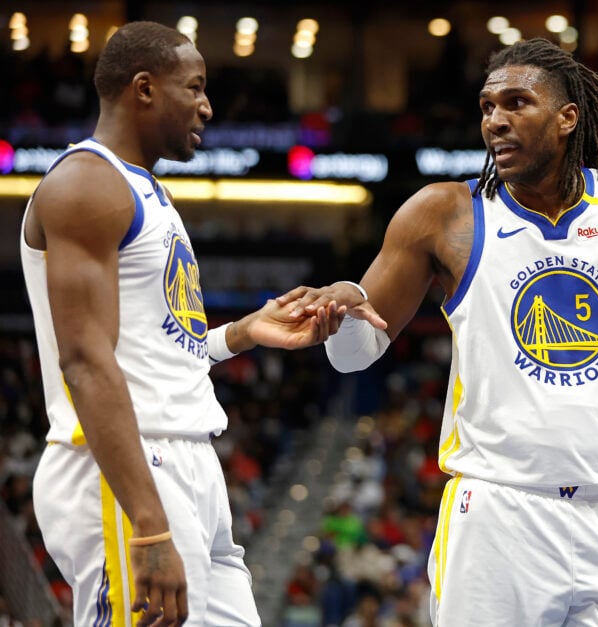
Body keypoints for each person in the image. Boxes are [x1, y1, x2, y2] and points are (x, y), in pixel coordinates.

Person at [278, 37, 598, 626]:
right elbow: (355, 356)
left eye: (517, 103)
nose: (496, 121)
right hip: (499, 517)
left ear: (568, 118)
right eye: (487, 107)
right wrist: (343, 313)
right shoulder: (443, 214)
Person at [20, 21, 365, 627]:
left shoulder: (146, 191)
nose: (207, 105)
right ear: (145, 88)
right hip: (124, 472)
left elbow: (157, 348)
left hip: (186, 465)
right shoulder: (86, 184)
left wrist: (245, 331)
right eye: (196, 87)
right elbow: (85, 360)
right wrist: (149, 528)